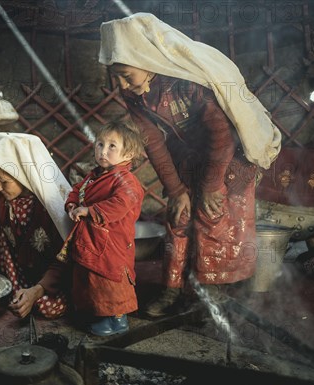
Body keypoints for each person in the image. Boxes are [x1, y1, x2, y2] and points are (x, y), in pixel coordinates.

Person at [98, 13, 282, 316]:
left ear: (144, 58)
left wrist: (211, 187)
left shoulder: (190, 83)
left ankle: (211, 297)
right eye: (114, 76)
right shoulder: (135, 94)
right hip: (189, 155)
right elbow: (152, 141)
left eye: (125, 75)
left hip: (231, 156)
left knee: (212, 217)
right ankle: (172, 290)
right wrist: (176, 190)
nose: (120, 85)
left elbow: (222, 135)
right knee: (179, 215)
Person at [0, 132, 73, 319]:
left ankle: (27, 293)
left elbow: (65, 258)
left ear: (24, 176)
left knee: (46, 307)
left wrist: (36, 291)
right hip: (18, 270)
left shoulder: (51, 205)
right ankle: (13, 288)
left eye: (4, 182)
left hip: (51, 277)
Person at [59, 119, 145, 336]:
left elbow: (121, 204)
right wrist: (71, 204)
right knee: (94, 280)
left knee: (110, 279)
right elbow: (76, 190)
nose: (103, 151)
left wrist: (89, 211)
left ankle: (116, 319)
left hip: (112, 241)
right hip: (93, 240)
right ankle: (101, 316)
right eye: (100, 144)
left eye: (112, 146)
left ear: (128, 154)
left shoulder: (127, 181)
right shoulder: (94, 176)